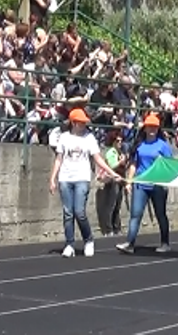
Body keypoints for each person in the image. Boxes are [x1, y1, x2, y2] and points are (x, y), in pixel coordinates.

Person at [49, 108, 121, 257]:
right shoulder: (64, 138)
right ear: (74, 123)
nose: (83, 125)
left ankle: (88, 240)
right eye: (81, 122)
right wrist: (53, 178)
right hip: (65, 178)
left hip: (82, 178)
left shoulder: (89, 138)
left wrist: (112, 173)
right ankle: (69, 244)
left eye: (84, 122)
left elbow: (97, 158)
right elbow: (59, 159)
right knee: (68, 213)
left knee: (79, 212)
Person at [117, 114, 173, 254]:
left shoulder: (163, 146)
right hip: (141, 183)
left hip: (157, 185)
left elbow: (170, 165)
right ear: (145, 128)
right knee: (135, 214)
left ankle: (165, 243)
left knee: (160, 214)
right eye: (150, 126)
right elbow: (134, 164)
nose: (152, 129)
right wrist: (129, 181)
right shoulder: (140, 145)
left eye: (155, 127)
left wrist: (165, 179)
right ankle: (130, 243)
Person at [96, 134, 127, 236]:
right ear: (113, 142)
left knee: (117, 206)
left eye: (121, 141)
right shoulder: (111, 152)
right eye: (117, 141)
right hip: (113, 181)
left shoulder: (120, 152)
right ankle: (108, 229)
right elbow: (112, 166)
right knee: (111, 205)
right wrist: (120, 162)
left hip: (120, 180)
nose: (120, 143)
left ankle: (117, 228)